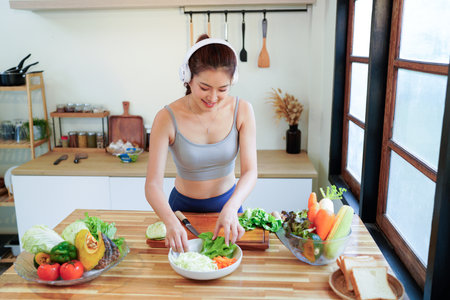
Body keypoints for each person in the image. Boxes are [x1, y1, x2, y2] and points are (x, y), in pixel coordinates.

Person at [145, 34, 257, 253]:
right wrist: (169, 221)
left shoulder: (243, 110)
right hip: (180, 212)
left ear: (232, 82)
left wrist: (232, 207)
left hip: (229, 206)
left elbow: (250, 171)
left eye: (223, 89)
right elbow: (152, 185)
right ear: (188, 77)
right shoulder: (166, 117)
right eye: (204, 87)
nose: (213, 97)